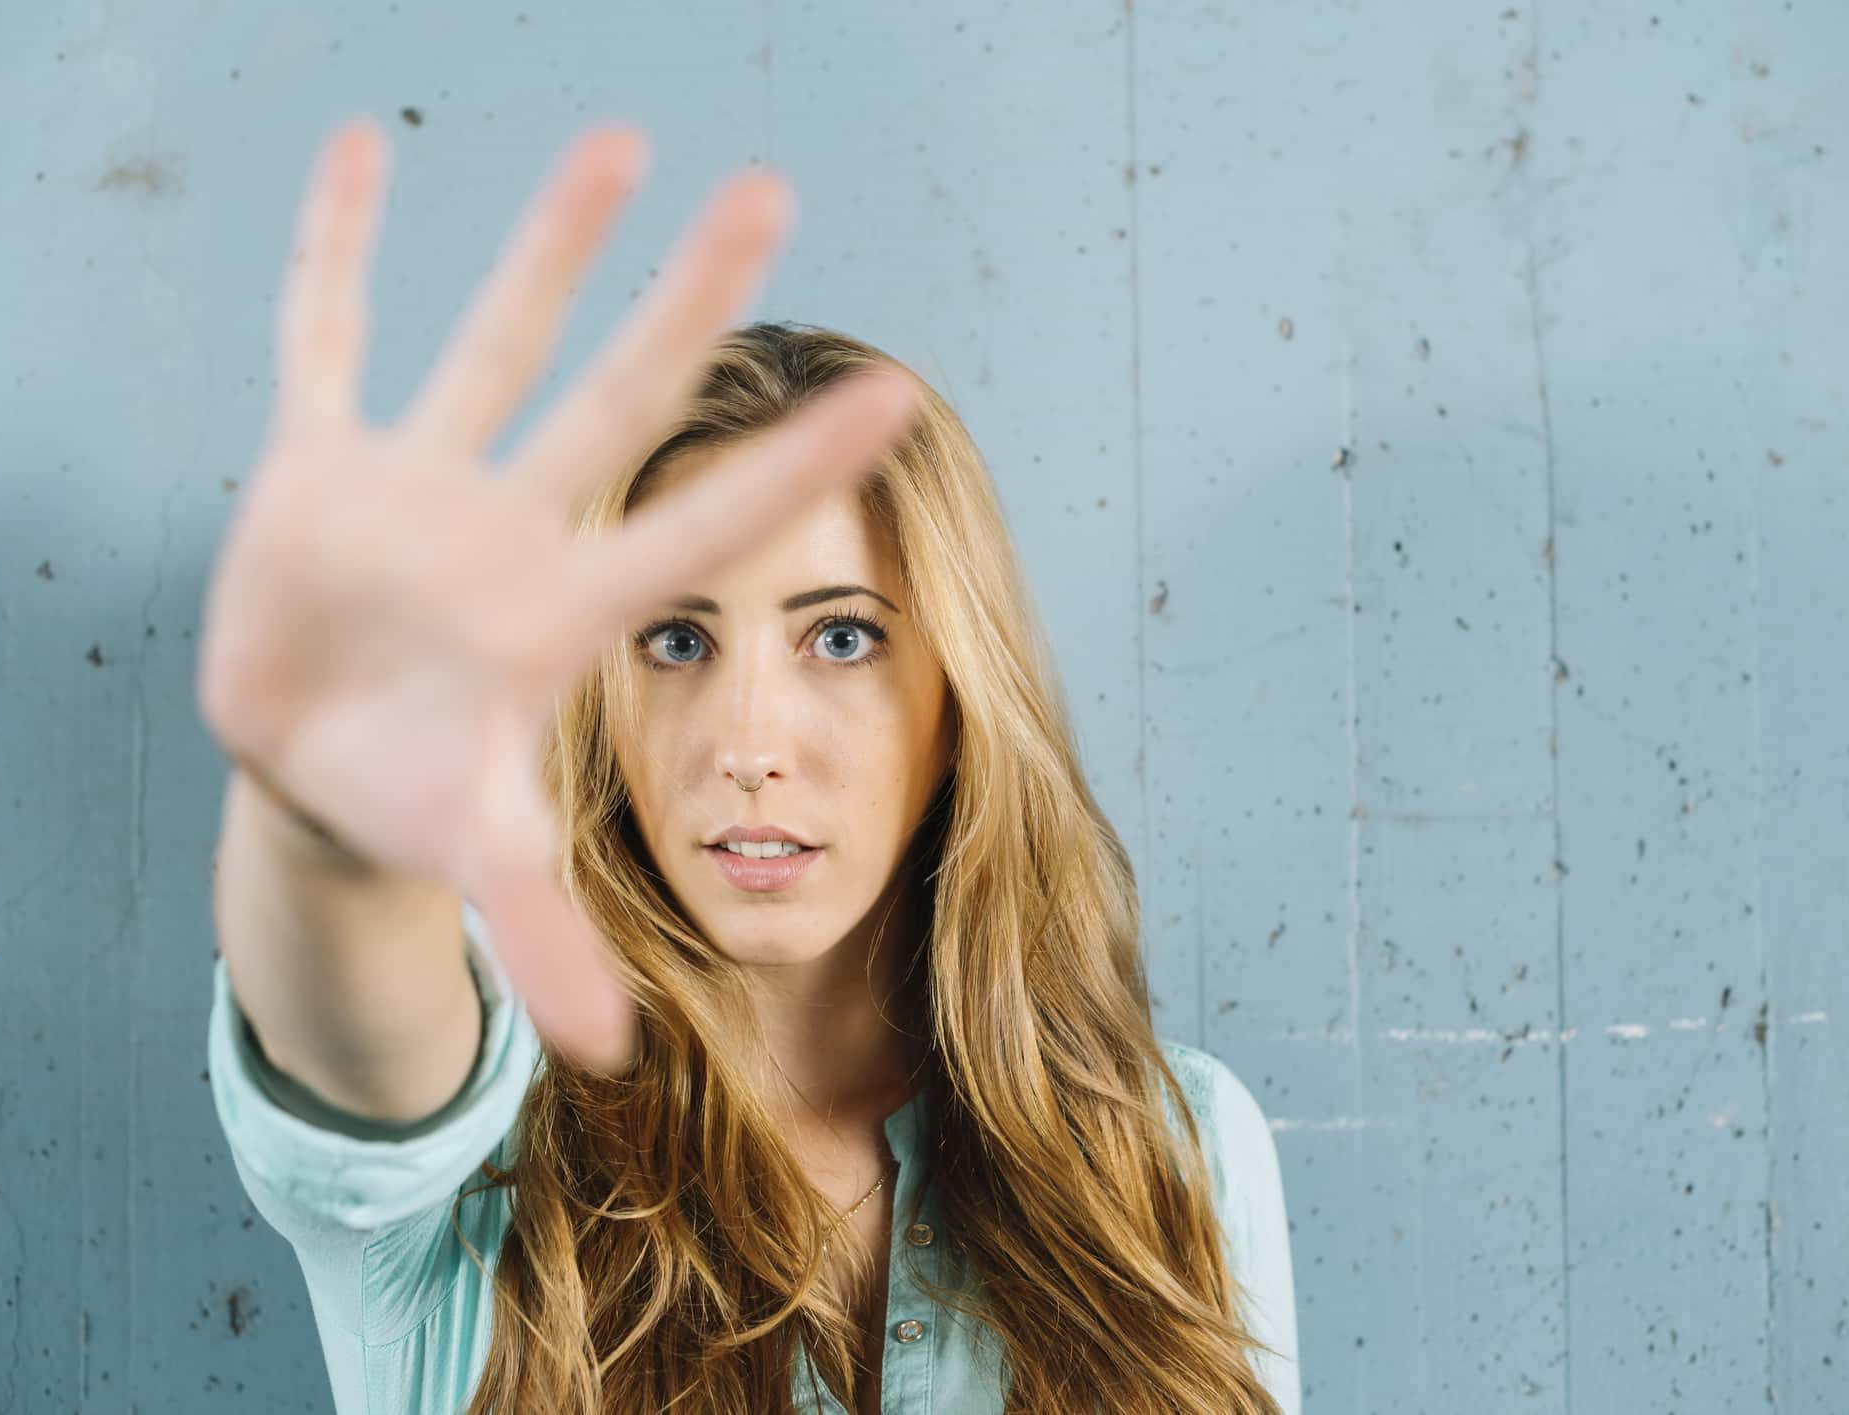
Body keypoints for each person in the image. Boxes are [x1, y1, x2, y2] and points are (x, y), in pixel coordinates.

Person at [198, 114, 1299, 1414]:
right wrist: (325, 827)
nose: (748, 744)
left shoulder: (1175, 1148)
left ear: (958, 691)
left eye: (841, 636)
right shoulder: (479, 1148)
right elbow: (360, 1049)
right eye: (673, 637)